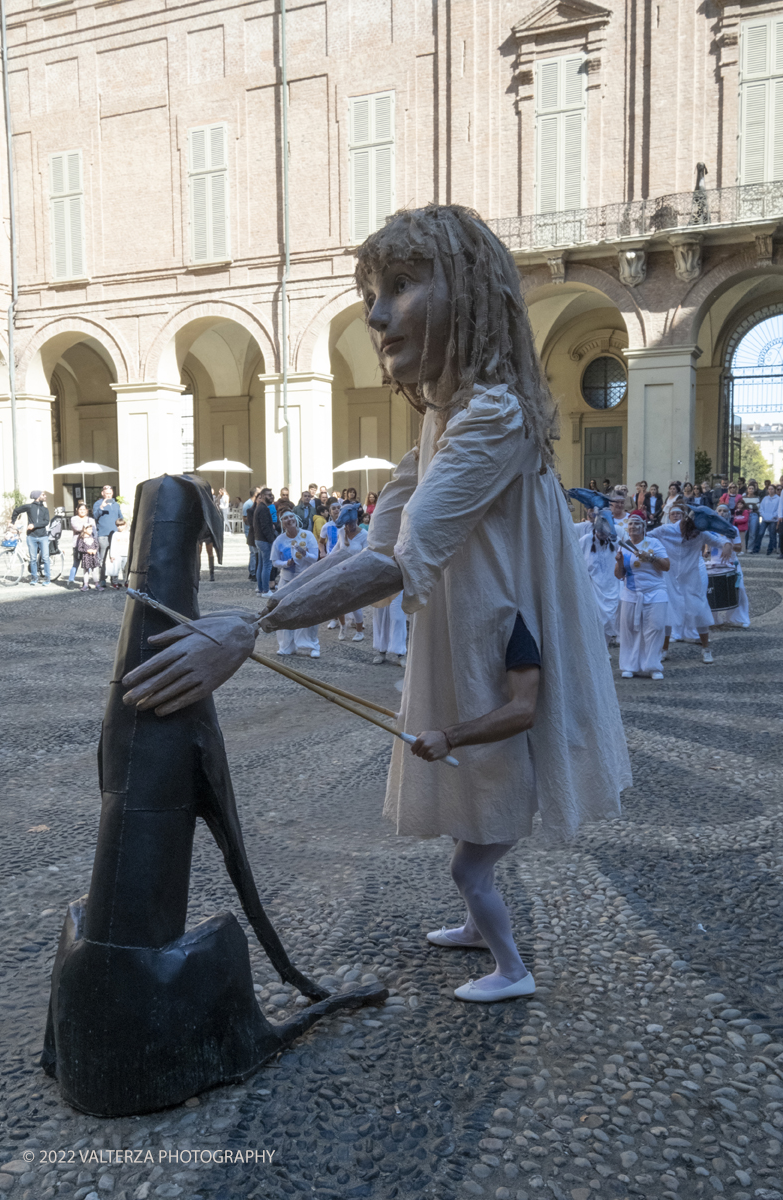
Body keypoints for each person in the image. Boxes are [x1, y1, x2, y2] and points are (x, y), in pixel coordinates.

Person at [121, 203, 631, 1004]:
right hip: (465, 641)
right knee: (473, 796)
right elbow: (371, 547)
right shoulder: (442, 423)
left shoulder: (492, 417)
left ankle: (506, 960)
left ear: (467, 295)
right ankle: (477, 924)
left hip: (492, 641)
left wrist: (252, 626)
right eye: (371, 292)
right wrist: (260, 614)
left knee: (489, 790)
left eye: (401, 285)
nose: (378, 313)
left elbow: (397, 560)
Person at [654, 504, 732, 664]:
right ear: (687, 522)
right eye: (692, 531)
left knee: (699, 612)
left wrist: (728, 545)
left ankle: (706, 649)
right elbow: (645, 538)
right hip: (669, 578)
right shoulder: (665, 530)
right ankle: (664, 649)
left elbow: (721, 541)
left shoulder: (701, 535)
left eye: (697, 532)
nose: (693, 535)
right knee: (668, 613)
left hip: (692, 580)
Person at [615, 514, 670, 679]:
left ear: (643, 527)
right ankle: (629, 665)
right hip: (631, 593)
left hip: (655, 591)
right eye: (630, 524)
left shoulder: (654, 543)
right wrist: (618, 562)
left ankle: (652, 666)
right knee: (629, 629)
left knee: (656, 627)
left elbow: (666, 566)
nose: (633, 527)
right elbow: (619, 575)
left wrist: (651, 558)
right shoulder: (624, 546)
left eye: (637, 524)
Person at [271, 512, 320, 657]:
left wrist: (304, 553)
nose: (289, 519)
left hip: (305, 579)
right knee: (284, 611)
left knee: (308, 611)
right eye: (285, 518)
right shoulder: (279, 540)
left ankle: (312, 646)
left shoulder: (308, 535)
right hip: (287, 581)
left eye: (291, 516)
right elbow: (274, 562)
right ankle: (286, 646)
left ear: (296, 519)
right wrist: (286, 563)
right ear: (282, 523)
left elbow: (315, 559)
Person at [578, 517, 619, 644]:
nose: (601, 534)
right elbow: (577, 558)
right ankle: (596, 647)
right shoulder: (586, 540)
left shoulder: (615, 542)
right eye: (599, 531)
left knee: (610, 618)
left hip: (611, 585)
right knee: (594, 618)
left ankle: (605, 648)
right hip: (593, 586)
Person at [708, 506, 750, 628]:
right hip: (714, 564)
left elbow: (739, 547)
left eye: (725, 511)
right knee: (712, 592)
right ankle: (713, 620)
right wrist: (706, 551)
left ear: (729, 514)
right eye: (720, 511)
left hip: (731, 563)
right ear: (716, 513)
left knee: (739, 589)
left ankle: (738, 619)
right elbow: (706, 545)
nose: (722, 513)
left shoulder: (733, 529)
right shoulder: (710, 530)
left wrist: (728, 546)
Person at [333, 502, 367, 642]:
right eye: (347, 524)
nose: (350, 526)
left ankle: (359, 631)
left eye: (352, 523)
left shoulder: (364, 534)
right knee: (339, 603)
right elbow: (336, 550)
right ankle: (342, 626)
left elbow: (366, 554)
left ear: (356, 521)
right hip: (341, 572)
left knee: (355, 604)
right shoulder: (341, 532)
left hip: (356, 574)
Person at [11, 489, 51, 586]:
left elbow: (46, 522)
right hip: (31, 537)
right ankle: (34, 578)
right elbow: (16, 510)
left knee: (45, 558)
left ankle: (47, 579)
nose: (45, 496)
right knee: (33, 559)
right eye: (43, 495)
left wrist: (34, 525)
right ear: (38, 496)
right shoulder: (29, 507)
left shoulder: (45, 509)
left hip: (43, 536)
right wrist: (12, 522)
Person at [92, 486, 123, 586]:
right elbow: (95, 517)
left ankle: (114, 580)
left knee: (115, 558)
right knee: (102, 558)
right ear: (103, 494)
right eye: (106, 493)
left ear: (112, 493)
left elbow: (120, 517)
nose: (108, 495)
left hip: (115, 535)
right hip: (103, 534)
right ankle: (102, 579)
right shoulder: (97, 504)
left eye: (110, 493)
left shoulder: (116, 504)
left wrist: (122, 528)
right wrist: (101, 507)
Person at [372, 592, 408, 665]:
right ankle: (381, 651)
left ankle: (400, 654)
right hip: (380, 586)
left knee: (398, 618)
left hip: (398, 586)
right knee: (380, 618)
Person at [253, 488, 277, 596]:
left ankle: (261, 589)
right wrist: (271, 540)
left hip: (259, 539)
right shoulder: (263, 509)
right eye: (268, 495)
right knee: (267, 565)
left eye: (271, 495)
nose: (270, 497)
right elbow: (265, 527)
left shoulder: (260, 508)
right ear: (262, 496)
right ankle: (266, 590)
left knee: (261, 565)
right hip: (264, 540)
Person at [67, 501, 91, 588]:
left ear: (87, 510)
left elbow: (93, 530)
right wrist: (87, 528)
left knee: (87, 564)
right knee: (76, 563)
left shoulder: (90, 519)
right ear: (77, 510)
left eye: (84, 509)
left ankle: (86, 582)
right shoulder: (74, 518)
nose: (82, 511)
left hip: (88, 544)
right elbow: (77, 528)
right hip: (77, 544)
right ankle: (71, 580)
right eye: (80, 509)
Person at [752, 484, 779, 554]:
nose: (770, 490)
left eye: (772, 489)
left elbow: (779, 509)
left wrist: (774, 516)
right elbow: (761, 508)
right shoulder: (765, 498)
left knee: (772, 534)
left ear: (775, 490)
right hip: (764, 519)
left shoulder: (778, 499)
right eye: (769, 489)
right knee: (760, 533)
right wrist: (763, 515)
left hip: (773, 519)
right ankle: (756, 549)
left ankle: (770, 549)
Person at [75, 520, 101, 590]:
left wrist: (95, 550)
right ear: (85, 529)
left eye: (91, 529)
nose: (91, 530)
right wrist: (87, 551)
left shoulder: (93, 538)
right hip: (86, 557)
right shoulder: (81, 539)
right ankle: (86, 584)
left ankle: (97, 584)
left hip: (93, 557)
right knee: (86, 571)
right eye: (89, 529)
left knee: (94, 571)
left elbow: (97, 545)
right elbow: (79, 548)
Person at [106, 518, 130, 587]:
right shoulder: (115, 534)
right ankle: (115, 582)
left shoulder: (128, 534)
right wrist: (112, 555)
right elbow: (113, 545)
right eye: (118, 525)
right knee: (116, 569)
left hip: (126, 554)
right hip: (117, 555)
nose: (119, 527)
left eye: (121, 525)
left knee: (125, 569)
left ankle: (126, 581)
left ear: (125, 525)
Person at [243, 488, 259, 581]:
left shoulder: (253, 504)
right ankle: (252, 572)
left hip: (252, 531)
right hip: (250, 531)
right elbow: (245, 519)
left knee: (254, 552)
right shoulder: (248, 504)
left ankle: (253, 571)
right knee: (253, 552)